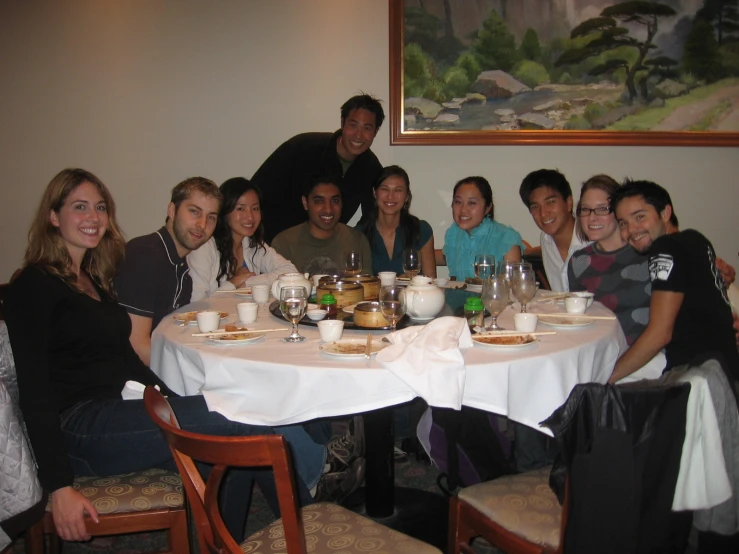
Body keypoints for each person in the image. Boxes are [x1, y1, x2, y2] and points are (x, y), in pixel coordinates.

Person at [3, 169, 361, 545]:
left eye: (100, 207)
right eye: (80, 207)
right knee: (244, 417)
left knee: (233, 452)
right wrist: (58, 486)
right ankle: (310, 537)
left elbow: (123, 356)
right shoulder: (34, 284)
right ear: (54, 216)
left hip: (118, 408)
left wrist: (171, 397)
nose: (93, 217)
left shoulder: (90, 277)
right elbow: (34, 387)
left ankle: (230, 545)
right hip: (80, 427)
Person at [609, 180, 739, 388]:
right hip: (726, 372)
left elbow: (659, 334)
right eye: (623, 223)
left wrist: (606, 377)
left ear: (665, 212)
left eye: (640, 217)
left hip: (696, 379)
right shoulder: (696, 239)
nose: (631, 230)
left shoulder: (665, 247)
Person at [114, 177, 222, 366]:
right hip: (130, 382)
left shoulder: (179, 264)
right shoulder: (144, 255)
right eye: (194, 212)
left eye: (211, 217)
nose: (202, 224)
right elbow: (136, 347)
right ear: (172, 210)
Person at [251, 94, 384, 243]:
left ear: (375, 132)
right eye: (353, 125)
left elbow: (374, 215)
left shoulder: (371, 169)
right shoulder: (303, 147)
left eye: (367, 128)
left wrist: (350, 240)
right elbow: (257, 190)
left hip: (325, 248)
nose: (358, 136)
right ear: (342, 123)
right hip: (276, 243)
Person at [567, 175, 651, 346]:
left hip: (650, 357)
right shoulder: (579, 261)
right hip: (604, 354)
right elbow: (581, 319)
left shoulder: (646, 253)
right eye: (585, 209)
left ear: (618, 212)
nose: (592, 217)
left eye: (602, 209)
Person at [188, 177, 298, 302]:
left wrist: (247, 281)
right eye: (241, 208)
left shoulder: (252, 243)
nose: (250, 217)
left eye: (255, 208)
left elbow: (290, 272)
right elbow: (196, 302)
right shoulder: (204, 247)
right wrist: (233, 283)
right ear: (225, 211)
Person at [272, 177, 372, 276]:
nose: (328, 209)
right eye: (319, 201)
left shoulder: (357, 241)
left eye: (335, 200)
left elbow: (366, 288)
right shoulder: (284, 243)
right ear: (305, 203)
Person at [437, 176, 524, 280]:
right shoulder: (454, 233)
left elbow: (512, 287)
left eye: (472, 203)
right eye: (458, 202)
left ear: (487, 208)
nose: (463, 209)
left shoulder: (506, 237)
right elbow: (454, 278)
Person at [356, 165, 436, 277]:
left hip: (413, 294)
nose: (390, 196)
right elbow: (357, 283)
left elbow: (430, 282)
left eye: (398, 190)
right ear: (375, 193)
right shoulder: (359, 233)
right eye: (385, 189)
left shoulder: (422, 230)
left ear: (407, 196)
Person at [519, 169, 588, 291]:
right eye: (535, 207)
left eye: (550, 202)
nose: (543, 213)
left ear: (569, 203)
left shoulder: (590, 238)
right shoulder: (546, 239)